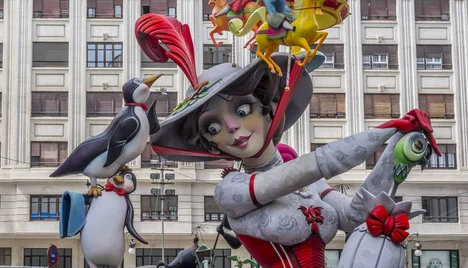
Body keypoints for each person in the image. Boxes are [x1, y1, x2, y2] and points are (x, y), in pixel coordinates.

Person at [149, 56, 439, 268]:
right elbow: (312, 166)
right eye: (213, 127)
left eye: (242, 109)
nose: (231, 127)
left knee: (380, 236)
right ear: (209, 143)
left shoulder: (311, 183)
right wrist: (388, 129)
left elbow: (355, 216)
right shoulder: (230, 190)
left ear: (269, 109)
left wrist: (395, 156)